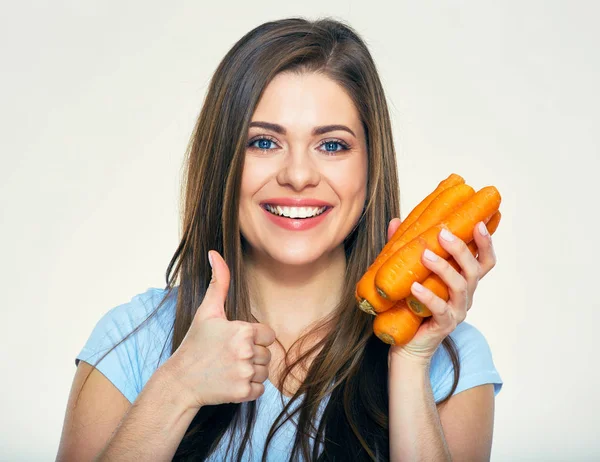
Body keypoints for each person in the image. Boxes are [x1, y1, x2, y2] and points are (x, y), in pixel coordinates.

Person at [56, 17, 503, 462]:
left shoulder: (449, 358)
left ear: (370, 167)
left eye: (331, 145)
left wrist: (408, 363)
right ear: (223, 161)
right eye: (264, 142)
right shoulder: (130, 342)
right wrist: (176, 388)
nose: (297, 176)